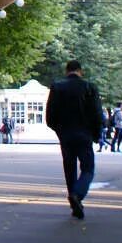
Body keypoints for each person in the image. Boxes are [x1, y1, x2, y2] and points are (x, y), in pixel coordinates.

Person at [46, 59, 102, 220]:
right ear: (80, 71)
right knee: (88, 169)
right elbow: (97, 114)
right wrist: (97, 134)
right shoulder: (89, 87)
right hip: (85, 134)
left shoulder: (57, 87)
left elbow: (50, 117)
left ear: (66, 71)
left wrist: (60, 131)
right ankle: (77, 194)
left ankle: (73, 201)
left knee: (69, 169)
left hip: (66, 135)